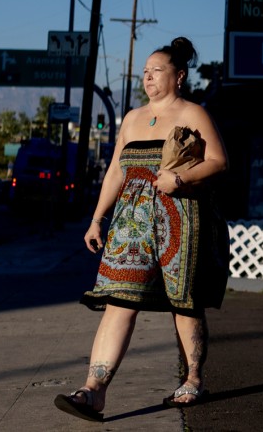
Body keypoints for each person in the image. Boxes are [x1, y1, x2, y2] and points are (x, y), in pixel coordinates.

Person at [54, 37, 229, 422]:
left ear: (179, 76)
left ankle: (193, 380)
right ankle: (93, 391)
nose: (148, 77)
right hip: (130, 225)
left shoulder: (193, 113)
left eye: (157, 71)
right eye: (145, 71)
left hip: (181, 219)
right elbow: (115, 172)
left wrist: (180, 179)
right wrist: (97, 218)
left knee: (184, 302)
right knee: (119, 300)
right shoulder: (132, 118)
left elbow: (219, 161)